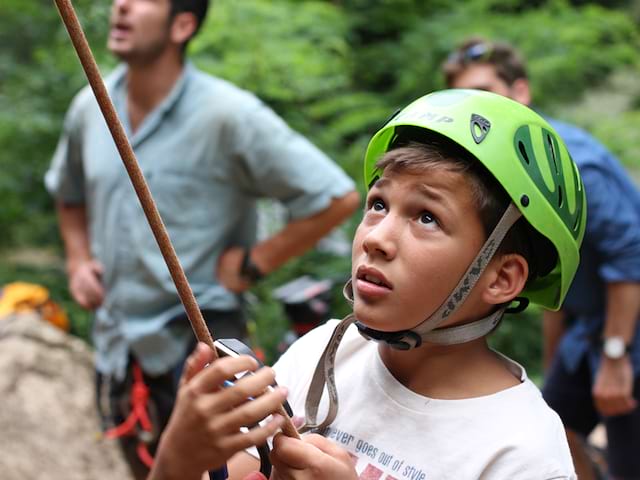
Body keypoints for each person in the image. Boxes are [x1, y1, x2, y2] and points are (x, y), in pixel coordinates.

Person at [148, 89, 584, 479]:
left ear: (502, 277)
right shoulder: (321, 356)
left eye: (426, 217)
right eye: (378, 204)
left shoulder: (522, 455)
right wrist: (177, 459)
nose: (376, 237)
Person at [45, 0, 359, 477]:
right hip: (117, 340)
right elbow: (68, 194)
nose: (121, 6)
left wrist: (255, 262)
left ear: (183, 24)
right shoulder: (90, 106)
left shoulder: (227, 115)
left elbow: (335, 196)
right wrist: (77, 258)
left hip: (199, 342)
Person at [443, 37, 640, 480]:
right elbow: (551, 277)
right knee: (552, 427)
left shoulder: (574, 164)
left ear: (521, 93)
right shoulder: (504, 174)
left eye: (487, 93)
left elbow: (632, 256)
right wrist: (549, 374)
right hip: (588, 330)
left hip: (624, 332)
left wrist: (615, 358)